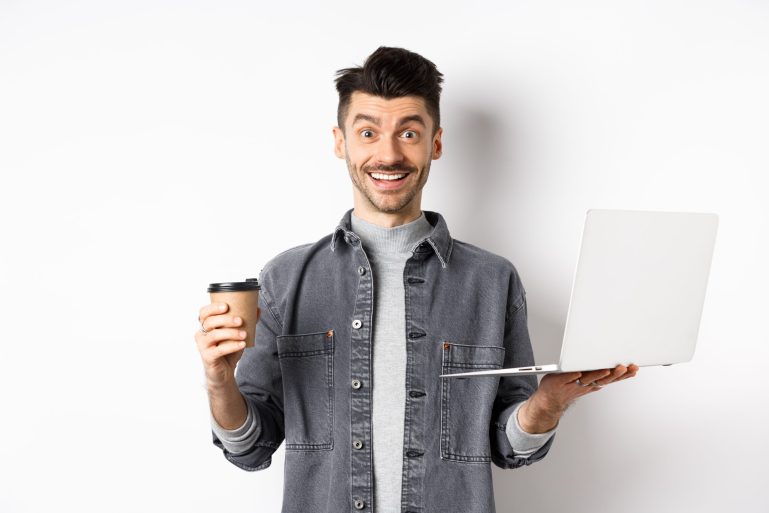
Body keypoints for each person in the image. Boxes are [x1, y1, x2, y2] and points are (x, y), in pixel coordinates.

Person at [194, 46, 638, 513]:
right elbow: (250, 447)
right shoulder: (285, 279)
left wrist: (547, 404)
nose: (388, 154)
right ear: (340, 141)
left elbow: (508, 447)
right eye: (368, 132)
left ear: (436, 143)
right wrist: (219, 380)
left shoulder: (492, 281)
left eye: (409, 132)